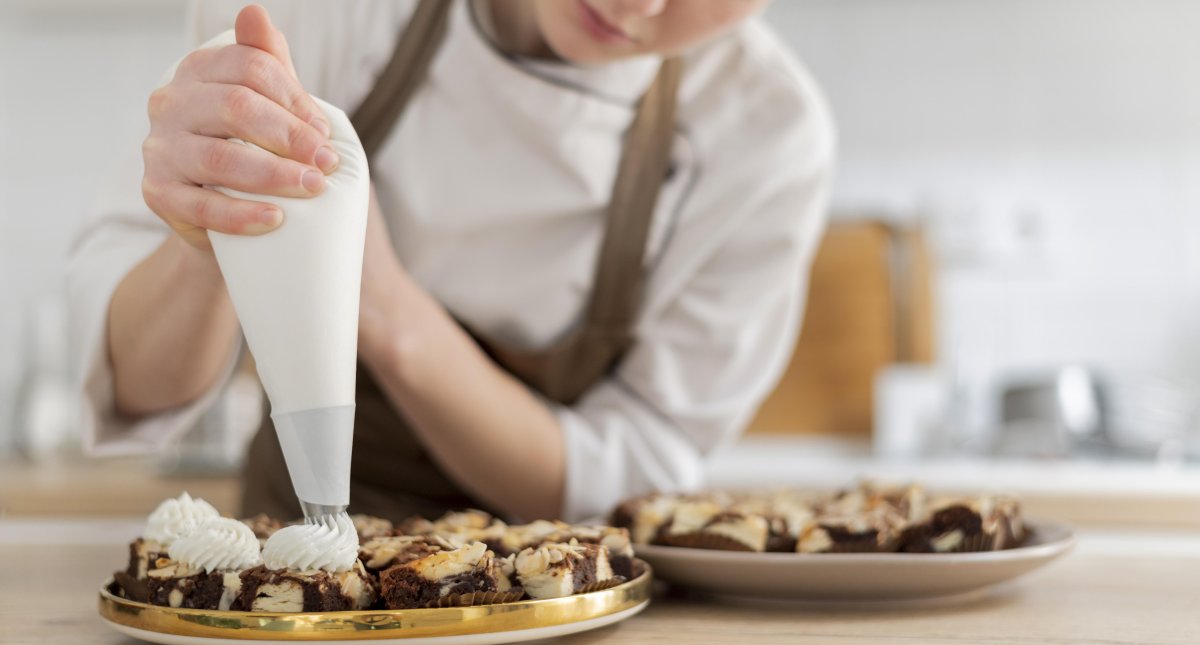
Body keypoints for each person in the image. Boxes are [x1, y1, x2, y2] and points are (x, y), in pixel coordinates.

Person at [68, 0, 834, 523]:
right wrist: (216, 225)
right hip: (283, 610)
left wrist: (389, 313)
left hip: (562, 625)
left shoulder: (764, 138)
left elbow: (637, 482)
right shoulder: (333, 12)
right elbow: (136, 388)